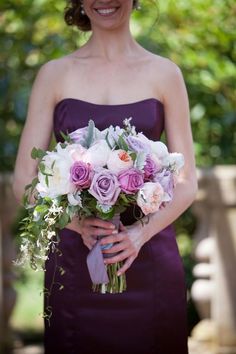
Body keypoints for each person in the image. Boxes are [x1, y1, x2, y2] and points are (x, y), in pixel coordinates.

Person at [13, 0, 198, 353]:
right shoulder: (54, 74)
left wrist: (139, 235)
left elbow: (188, 183)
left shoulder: (165, 73)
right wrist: (76, 224)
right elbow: (23, 180)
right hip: (74, 263)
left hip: (151, 260)